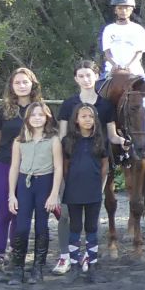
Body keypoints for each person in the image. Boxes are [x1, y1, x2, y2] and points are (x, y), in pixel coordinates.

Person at [53, 61, 120, 275]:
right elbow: (62, 137)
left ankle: (90, 258)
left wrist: (125, 141)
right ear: (76, 79)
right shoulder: (68, 104)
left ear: (96, 76)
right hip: (71, 165)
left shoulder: (106, 105)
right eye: (81, 76)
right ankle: (66, 256)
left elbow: (111, 135)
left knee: (92, 216)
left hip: (95, 163)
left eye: (89, 75)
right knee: (66, 216)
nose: (85, 79)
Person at [0, 66, 43, 278]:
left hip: (31, 169)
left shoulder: (40, 110)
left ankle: (15, 254)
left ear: (32, 85)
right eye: (17, 82)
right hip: (4, 165)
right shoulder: (1, 111)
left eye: (25, 82)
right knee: (3, 214)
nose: (21, 86)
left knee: (20, 215)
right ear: (11, 86)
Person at [6, 100, 62, 286]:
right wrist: (12, 195)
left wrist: (54, 194)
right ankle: (18, 267)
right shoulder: (19, 141)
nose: (37, 118)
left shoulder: (53, 140)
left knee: (41, 226)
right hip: (24, 184)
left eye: (41, 115)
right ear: (27, 118)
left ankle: (37, 268)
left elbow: (58, 167)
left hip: (44, 183)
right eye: (33, 115)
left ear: (47, 117)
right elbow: (14, 167)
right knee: (21, 227)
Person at [98, 0, 145, 132]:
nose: (123, 11)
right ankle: (97, 132)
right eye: (120, 8)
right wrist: (115, 65)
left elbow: (139, 52)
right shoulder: (109, 29)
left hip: (134, 71)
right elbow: (107, 52)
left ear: (131, 9)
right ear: (115, 10)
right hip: (112, 70)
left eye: (127, 8)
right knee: (96, 94)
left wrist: (128, 66)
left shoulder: (138, 29)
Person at [60, 102, 110, 282]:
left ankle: (93, 266)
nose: (87, 120)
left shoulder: (101, 140)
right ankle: (74, 265)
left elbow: (105, 164)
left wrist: (97, 181)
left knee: (91, 228)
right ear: (76, 119)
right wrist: (71, 182)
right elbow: (64, 167)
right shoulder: (68, 141)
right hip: (73, 190)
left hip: (93, 190)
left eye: (91, 116)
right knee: (74, 228)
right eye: (83, 116)